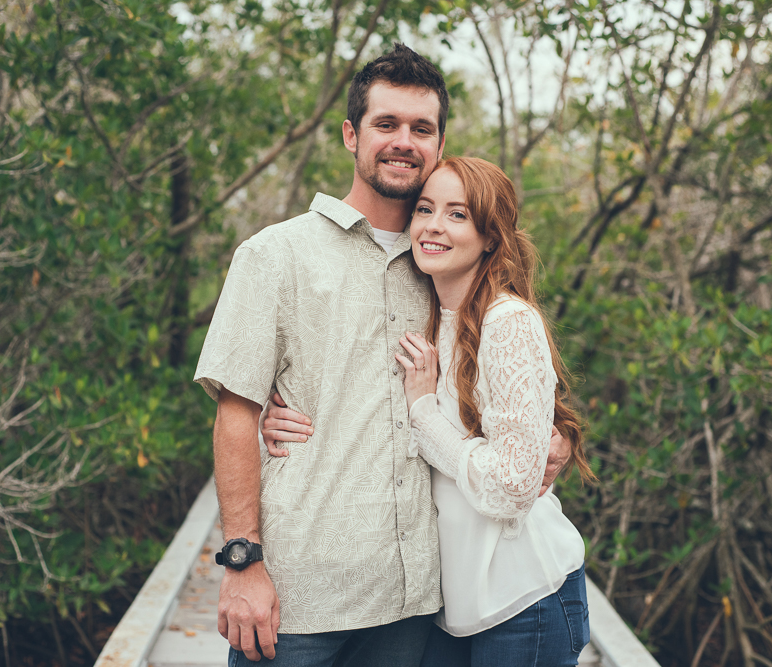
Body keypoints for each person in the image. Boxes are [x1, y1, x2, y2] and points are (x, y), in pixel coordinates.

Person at [194, 44, 569, 667]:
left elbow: (510, 369)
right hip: (301, 598)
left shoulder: (444, 260)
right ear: (351, 134)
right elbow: (235, 413)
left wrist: (549, 438)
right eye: (385, 124)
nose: (404, 141)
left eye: (421, 128)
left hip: (418, 601)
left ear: (440, 143)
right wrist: (241, 563)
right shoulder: (275, 255)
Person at [264, 157, 595, 666]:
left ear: (490, 237)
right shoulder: (432, 310)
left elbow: (510, 487)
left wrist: (423, 412)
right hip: (455, 605)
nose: (434, 226)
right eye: (425, 209)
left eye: (458, 214)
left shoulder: (506, 322)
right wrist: (274, 409)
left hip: (524, 597)